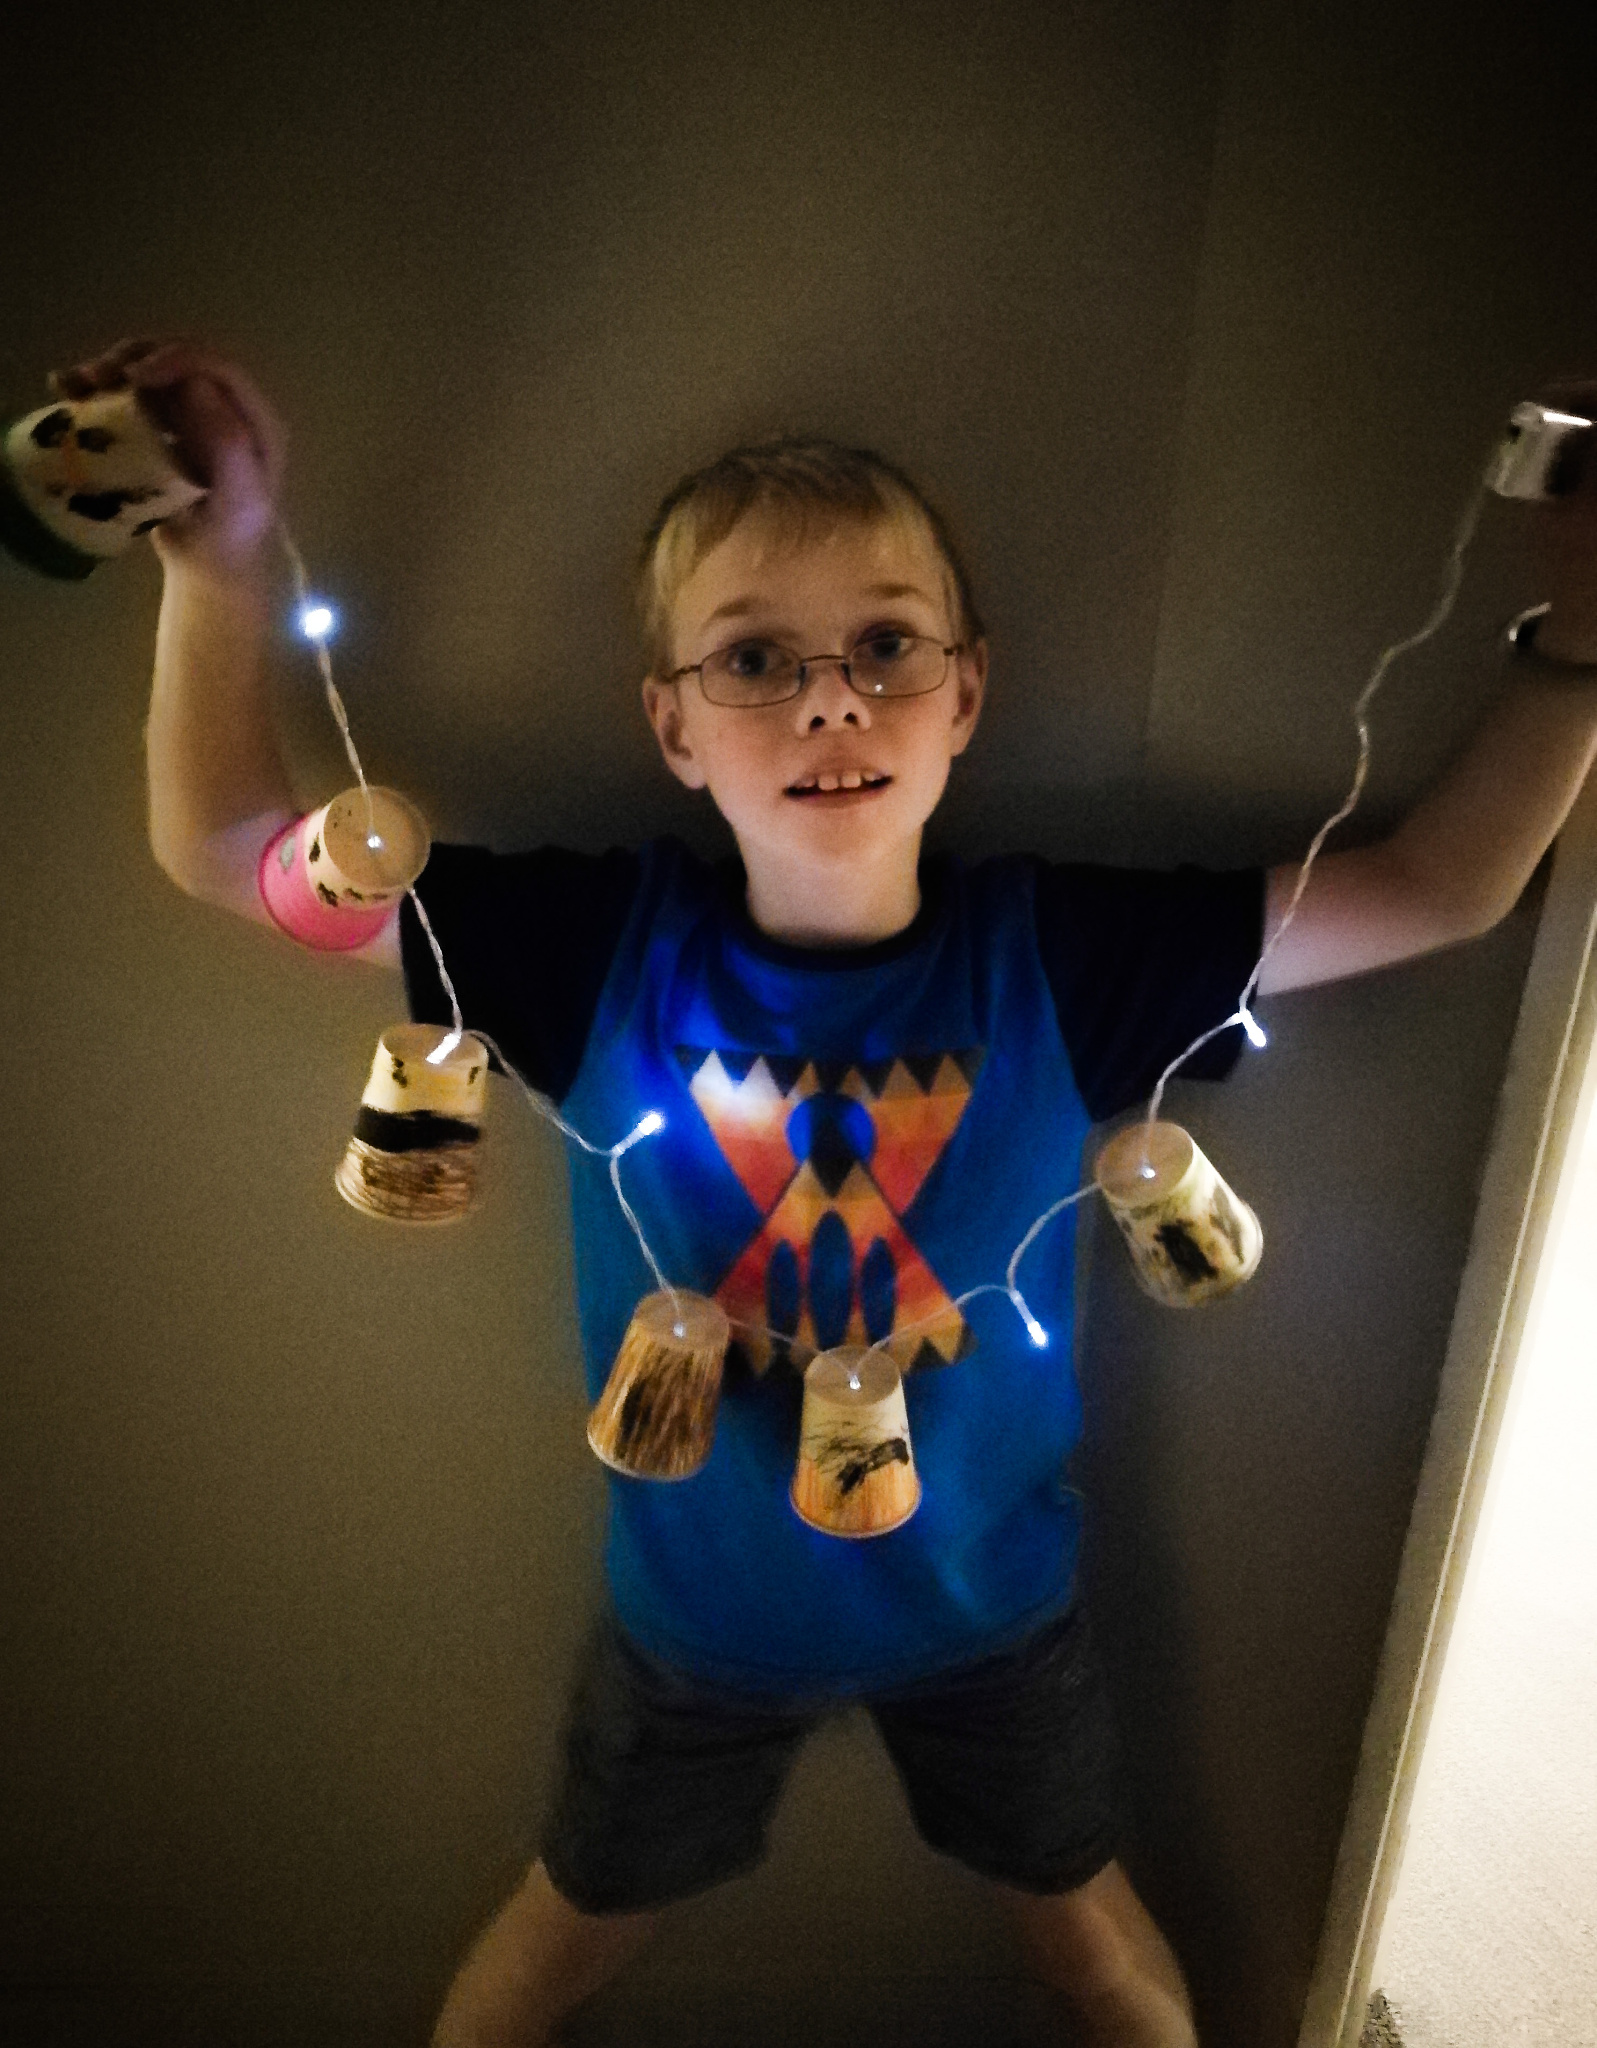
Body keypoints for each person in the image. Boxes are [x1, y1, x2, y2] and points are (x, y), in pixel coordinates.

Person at [58, 336, 1597, 2047]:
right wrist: (222, 563)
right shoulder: (588, 952)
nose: (829, 699)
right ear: (669, 725)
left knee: (1093, 1953)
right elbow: (232, 850)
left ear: (966, 695)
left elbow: (1444, 886)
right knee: (555, 1945)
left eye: (884, 646)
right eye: (752, 659)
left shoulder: (1067, 960)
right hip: (689, 1628)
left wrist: (1579, 645)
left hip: (995, 1621)